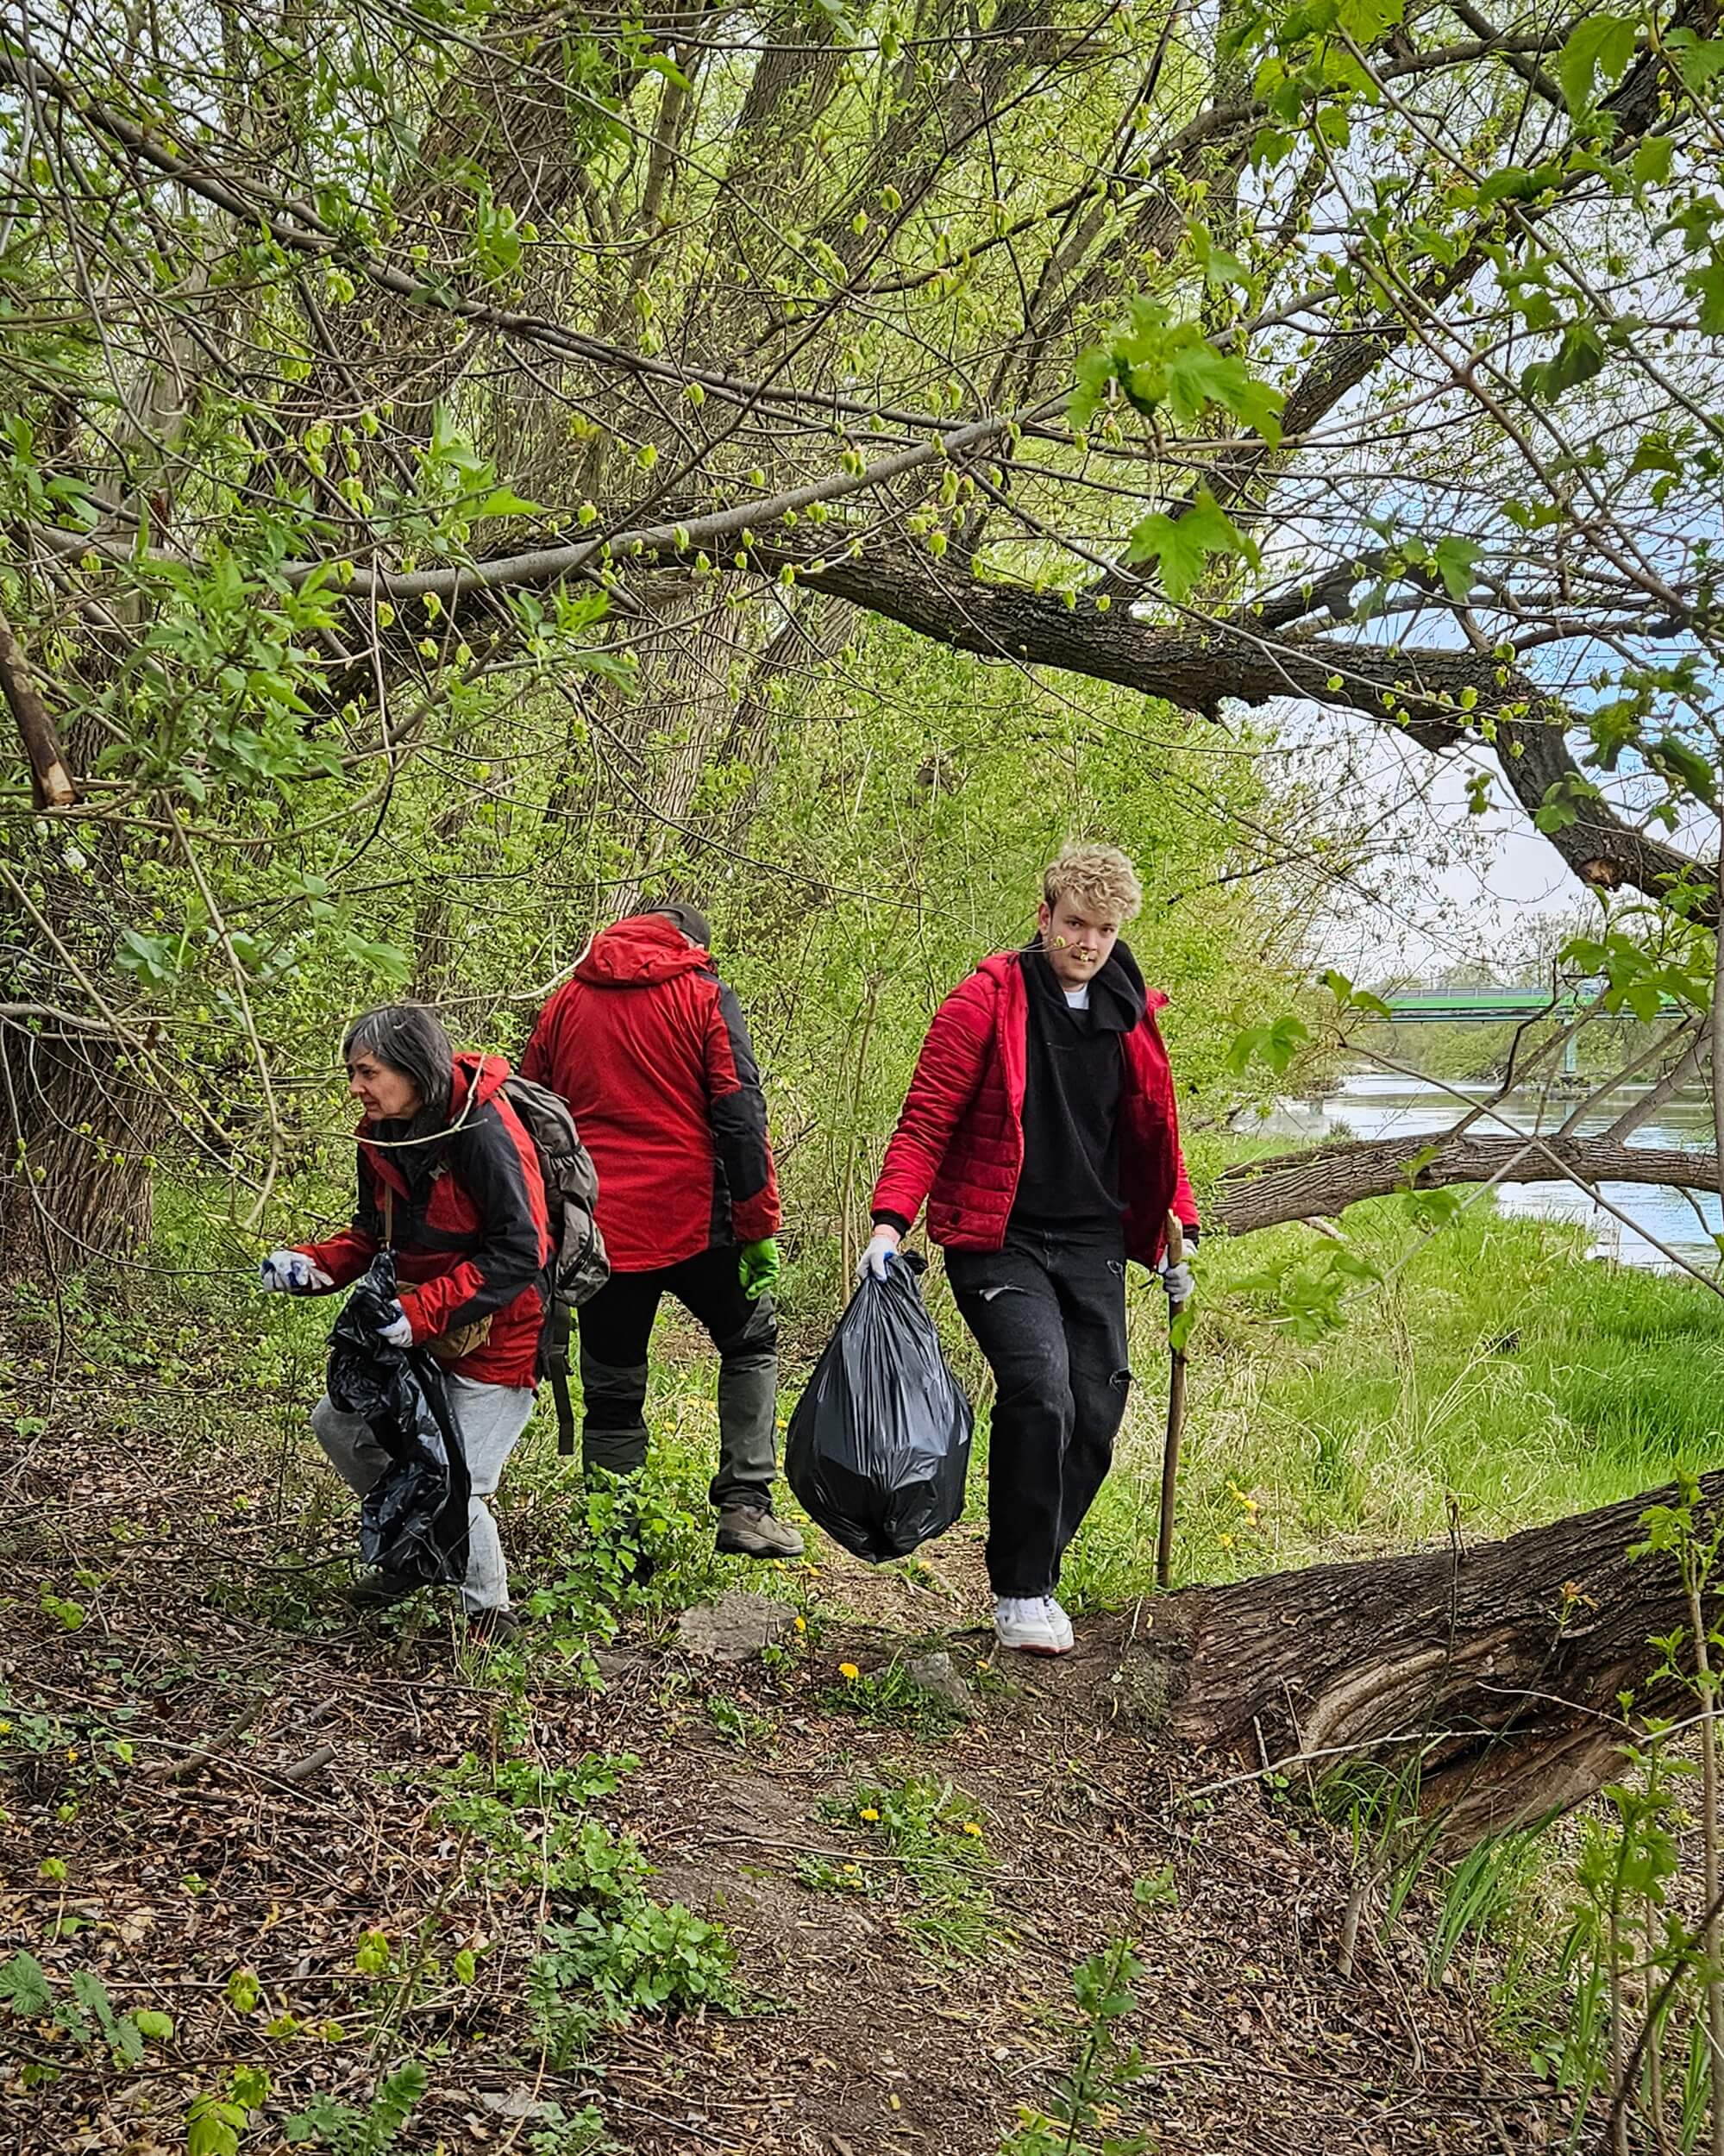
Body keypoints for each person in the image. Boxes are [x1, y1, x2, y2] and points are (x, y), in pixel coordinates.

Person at [862, 844, 1199, 1656]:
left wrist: (1174, 1237)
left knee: (1095, 1415)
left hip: (1091, 1239)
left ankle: (1036, 1571)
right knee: (1042, 1393)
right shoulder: (983, 1002)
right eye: (1075, 924)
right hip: (998, 1235)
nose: (1088, 943)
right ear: (1044, 917)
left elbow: (1157, 1137)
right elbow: (925, 1120)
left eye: (1104, 930)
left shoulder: (1130, 1013)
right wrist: (888, 1223)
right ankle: (1018, 1591)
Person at [260, 1005, 552, 1639]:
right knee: (339, 1426)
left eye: (367, 1072)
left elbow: (521, 1252)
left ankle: (489, 1614)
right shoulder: (381, 1135)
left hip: (499, 1338)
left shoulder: (483, 1129)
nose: (355, 1088)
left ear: (412, 1067)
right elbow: (374, 1235)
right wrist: (313, 1266)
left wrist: (421, 1313)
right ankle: (414, 1545)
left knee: (454, 1476)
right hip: (415, 1331)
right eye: (353, 1073)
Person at [522, 903, 804, 1559]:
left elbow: (532, 1116)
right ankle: (745, 1505)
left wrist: (547, 1223)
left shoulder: (565, 1003)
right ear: (691, 945)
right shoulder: (703, 996)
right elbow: (740, 1114)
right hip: (698, 1221)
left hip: (602, 1230)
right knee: (750, 1343)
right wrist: (758, 1224)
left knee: (612, 1387)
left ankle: (614, 1541)